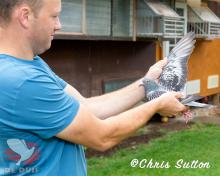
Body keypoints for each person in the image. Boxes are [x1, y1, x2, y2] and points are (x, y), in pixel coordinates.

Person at [0, 0, 187, 175]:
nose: (59, 25)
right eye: (54, 16)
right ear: (25, 16)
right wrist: (156, 105)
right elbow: (102, 136)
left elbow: (86, 107)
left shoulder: (31, 65)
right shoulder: (22, 81)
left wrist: (147, 83)